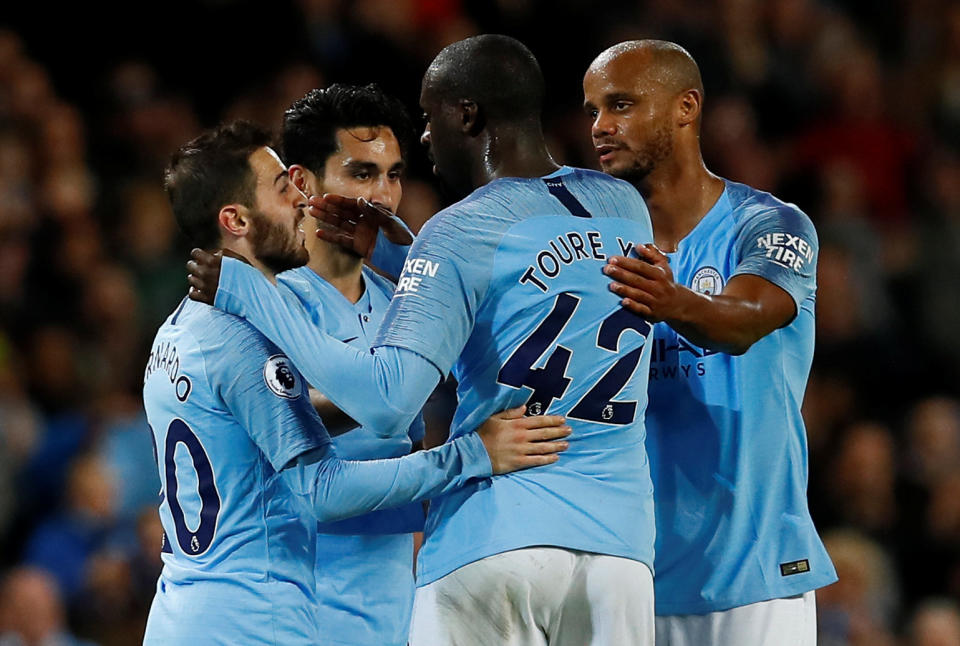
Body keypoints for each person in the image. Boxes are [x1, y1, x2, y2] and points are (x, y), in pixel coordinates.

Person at [189, 35, 658, 645]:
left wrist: (247, 290)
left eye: (430, 118)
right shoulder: (623, 206)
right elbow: (533, 285)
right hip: (620, 551)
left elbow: (389, 400)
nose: (428, 137)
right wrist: (396, 252)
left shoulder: (457, 231)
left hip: (497, 535)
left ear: (467, 114)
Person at [144, 120, 570, 645]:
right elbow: (321, 489)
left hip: (182, 610)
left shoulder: (179, 330)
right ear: (235, 219)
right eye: (285, 192)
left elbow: (256, 430)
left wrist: (397, 386)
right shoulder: (245, 338)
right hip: (254, 619)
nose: (304, 203)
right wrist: (471, 455)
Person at [583, 40, 837, 645]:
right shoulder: (589, 247)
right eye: (592, 110)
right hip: (627, 573)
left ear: (685, 107)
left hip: (755, 574)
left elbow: (749, 316)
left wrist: (673, 302)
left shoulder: (770, 224)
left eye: (620, 105)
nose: (601, 127)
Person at [278, 83, 426, 646]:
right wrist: (394, 387)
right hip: (295, 594)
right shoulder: (266, 301)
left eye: (392, 175)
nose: (383, 197)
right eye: (361, 174)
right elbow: (278, 424)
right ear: (303, 183)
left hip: (389, 601)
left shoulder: (405, 304)